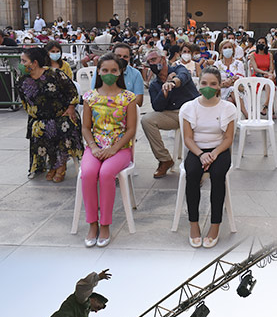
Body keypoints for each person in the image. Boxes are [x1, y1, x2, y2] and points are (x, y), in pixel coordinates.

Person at [81, 53, 138, 248]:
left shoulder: (128, 98)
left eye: (114, 70)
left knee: (106, 174)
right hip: (95, 148)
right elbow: (85, 128)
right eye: (105, 70)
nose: (109, 74)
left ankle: (105, 224)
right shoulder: (90, 97)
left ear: (120, 72)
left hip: (119, 148)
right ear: (99, 71)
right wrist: (94, 147)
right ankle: (92, 223)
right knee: (88, 173)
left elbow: (131, 129)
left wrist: (114, 149)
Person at [181, 65, 236, 248]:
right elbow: (188, 138)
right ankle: (193, 224)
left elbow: (228, 138)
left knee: (218, 175)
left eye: (213, 84)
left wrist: (213, 153)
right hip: (197, 149)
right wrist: (200, 154)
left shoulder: (227, 108)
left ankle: (215, 225)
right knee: (192, 174)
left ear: (220, 86)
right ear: (198, 84)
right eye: (204, 83)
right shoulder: (190, 107)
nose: (208, 87)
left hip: (219, 150)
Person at [17, 45, 82, 181]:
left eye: (24, 61)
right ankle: (53, 164)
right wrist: (36, 116)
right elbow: (26, 103)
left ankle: (61, 164)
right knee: (39, 128)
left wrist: (71, 108)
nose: (21, 64)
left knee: (61, 127)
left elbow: (72, 92)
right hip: (40, 117)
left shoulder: (55, 74)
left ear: (34, 63)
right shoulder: (21, 81)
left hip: (62, 114)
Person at [142, 46, 198, 177]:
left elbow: (183, 77)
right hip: (172, 115)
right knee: (146, 120)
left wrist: (173, 82)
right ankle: (164, 159)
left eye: (154, 59)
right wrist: (164, 89)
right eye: (149, 62)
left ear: (163, 59)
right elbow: (157, 107)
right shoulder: (154, 84)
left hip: (192, 112)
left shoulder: (178, 68)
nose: (152, 64)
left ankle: (197, 167)